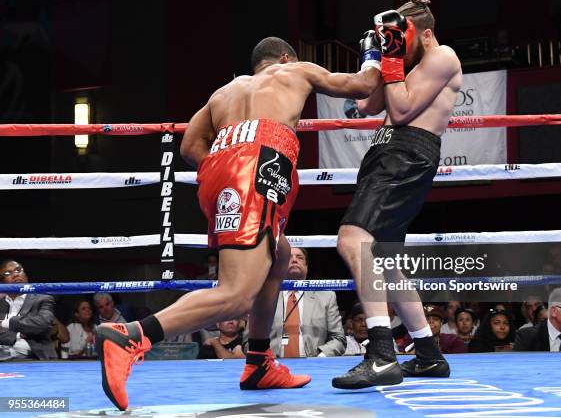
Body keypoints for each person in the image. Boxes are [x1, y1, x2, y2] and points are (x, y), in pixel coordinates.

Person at [95, 36, 381, 410]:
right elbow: (364, 85)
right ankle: (130, 336)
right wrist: (376, 50)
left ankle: (259, 362)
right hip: (258, 167)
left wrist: (231, 169)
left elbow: (189, 147)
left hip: (223, 169)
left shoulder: (223, 93)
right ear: (283, 57)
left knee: (279, 257)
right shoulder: (294, 69)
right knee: (236, 294)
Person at [332, 0, 462, 389]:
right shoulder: (405, 63)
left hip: (407, 152)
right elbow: (366, 104)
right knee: (386, 260)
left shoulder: (442, 57)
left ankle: (381, 354)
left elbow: (403, 111)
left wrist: (391, 62)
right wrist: (373, 57)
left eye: (400, 40)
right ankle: (427, 354)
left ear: (423, 34)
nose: (398, 47)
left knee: (352, 239)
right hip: (386, 151)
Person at [268, 247, 345, 357]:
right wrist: (266, 358)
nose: (294, 260)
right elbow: (249, 341)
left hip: (314, 367)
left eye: (300, 258)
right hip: (272, 366)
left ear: (306, 266)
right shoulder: (265, 296)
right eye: (289, 257)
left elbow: (338, 338)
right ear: (280, 265)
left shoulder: (326, 297)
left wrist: (321, 357)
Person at [0, 260, 57, 360]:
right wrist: (18, 334)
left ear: (26, 276)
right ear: (2, 282)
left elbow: (42, 324)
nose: (15, 275)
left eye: (18, 270)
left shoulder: (43, 299)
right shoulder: (1, 302)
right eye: (8, 273)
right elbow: (32, 326)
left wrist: (6, 323)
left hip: (34, 356)